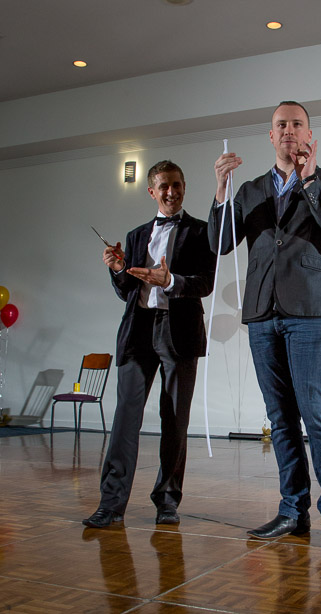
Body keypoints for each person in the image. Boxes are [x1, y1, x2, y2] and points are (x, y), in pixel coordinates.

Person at [208, 101, 321, 547]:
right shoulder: (250, 189)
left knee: (317, 413)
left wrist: (309, 181)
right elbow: (220, 244)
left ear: (309, 135)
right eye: (281, 125)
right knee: (280, 417)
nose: (289, 130)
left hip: (311, 313)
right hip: (262, 314)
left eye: (297, 124)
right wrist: (221, 191)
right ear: (271, 136)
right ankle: (293, 511)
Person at [83, 160, 216, 528]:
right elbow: (127, 289)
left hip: (180, 333)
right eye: (164, 186)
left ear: (184, 187)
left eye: (177, 185)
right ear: (152, 192)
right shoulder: (137, 235)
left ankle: (167, 502)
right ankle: (111, 505)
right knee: (125, 420)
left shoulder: (201, 232)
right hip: (138, 332)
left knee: (174, 421)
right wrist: (117, 269)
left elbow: (205, 283)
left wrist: (170, 281)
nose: (171, 192)